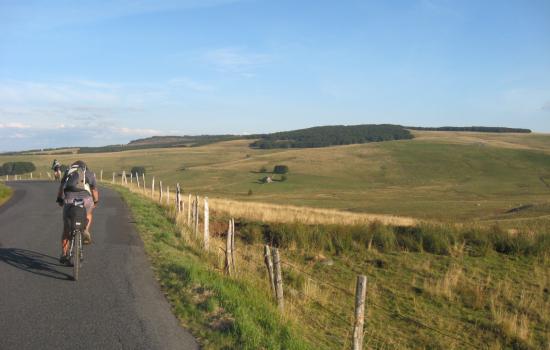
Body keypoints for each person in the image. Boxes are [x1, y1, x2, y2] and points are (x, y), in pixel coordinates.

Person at [56, 160, 99, 263]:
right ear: (85, 167)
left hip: (69, 199)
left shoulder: (68, 172)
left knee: (66, 229)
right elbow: (94, 191)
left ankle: (64, 254)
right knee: (88, 213)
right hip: (86, 200)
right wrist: (95, 202)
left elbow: (61, 187)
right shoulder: (89, 174)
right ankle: (85, 230)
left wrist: (60, 199)